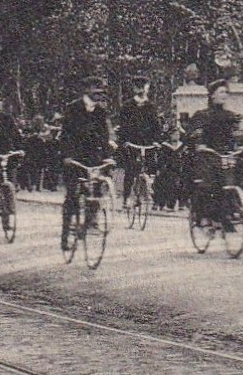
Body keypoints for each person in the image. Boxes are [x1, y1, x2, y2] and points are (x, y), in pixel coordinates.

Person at [59, 76, 114, 250]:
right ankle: (66, 235)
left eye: (101, 91)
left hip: (93, 159)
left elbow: (104, 136)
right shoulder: (72, 109)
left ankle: (89, 222)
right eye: (95, 90)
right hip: (74, 160)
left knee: (96, 192)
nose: (99, 94)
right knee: (72, 197)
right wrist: (67, 156)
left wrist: (107, 156)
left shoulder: (101, 112)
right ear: (86, 90)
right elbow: (66, 135)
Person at [185, 78, 243, 231]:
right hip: (208, 153)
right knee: (209, 180)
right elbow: (196, 134)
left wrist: (241, 145)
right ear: (212, 95)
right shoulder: (202, 115)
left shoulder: (231, 116)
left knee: (234, 174)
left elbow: (236, 134)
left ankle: (231, 210)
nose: (224, 95)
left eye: (226, 92)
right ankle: (204, 215)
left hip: (225, 153)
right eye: (221, 92)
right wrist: (200, 144)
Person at [117, 76, 164, 207]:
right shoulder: (127, 106)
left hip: (148, 143)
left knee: (151, 167)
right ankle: (126, 197)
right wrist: (125, 140)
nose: (141, 89)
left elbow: (156, 126)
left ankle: (148, 192)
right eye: (138, 87)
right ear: (134, 89)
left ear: (147, 89)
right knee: (130, 170)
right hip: (132, 143)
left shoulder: (151, 106)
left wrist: (156, 141)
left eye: (144, 86)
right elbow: (123, 125)